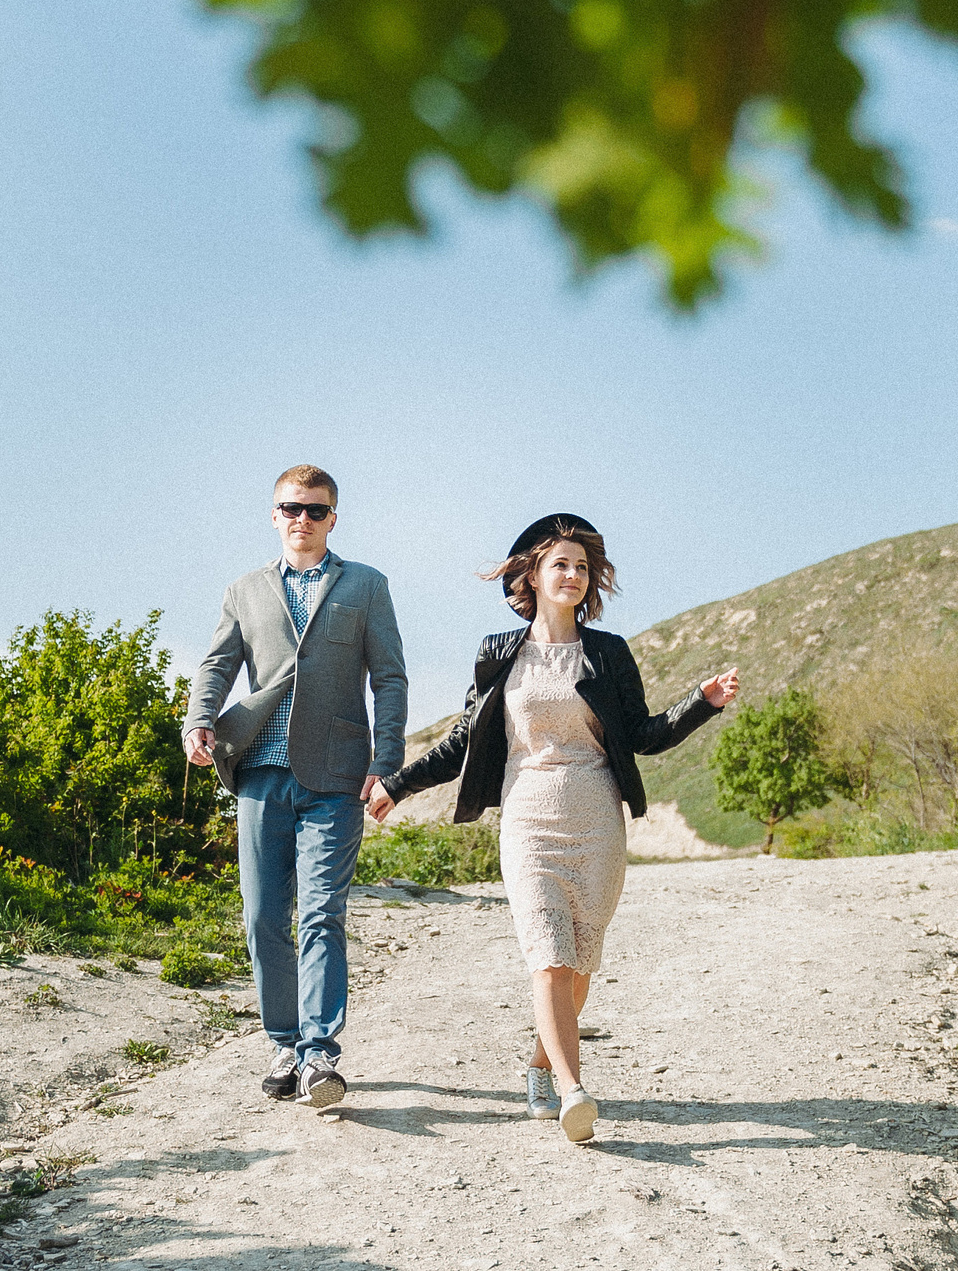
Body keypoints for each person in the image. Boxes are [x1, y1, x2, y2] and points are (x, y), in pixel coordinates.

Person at [367, 514, 737, 1142]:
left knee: (581, 962)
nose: (572, 575)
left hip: (597, 817)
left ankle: (541, 1066)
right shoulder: (497, 653)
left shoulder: (609, 653)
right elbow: (464, 740)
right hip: (528, 816)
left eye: (582, 567)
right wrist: (397, 785)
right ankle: (573, 1090)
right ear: (532, 576)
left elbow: (643, 736)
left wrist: (699, 702)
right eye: (559, 564)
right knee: (548, 958)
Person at [186, 465, 408, 1108]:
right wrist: (199, 721)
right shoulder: (244, 591)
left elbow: (389, 679)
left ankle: (319, 1055)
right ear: (274, 514)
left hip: (335, 776)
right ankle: (283, 1041)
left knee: (320, 914)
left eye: (315, 511)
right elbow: (217, 664)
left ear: (333, 518)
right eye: (291, 509)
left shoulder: (366, 586)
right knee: (261, 919)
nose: (301, 520)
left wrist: (385, 760)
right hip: (259, 773)